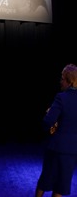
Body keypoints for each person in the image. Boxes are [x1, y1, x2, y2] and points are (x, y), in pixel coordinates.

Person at [35, 64, 77, 197]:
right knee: (61, 185)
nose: (60, 82)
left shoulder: (61, 97)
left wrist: (51, 125)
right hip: (72, 150)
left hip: (56, 147)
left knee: (45, 180)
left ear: (69, 81)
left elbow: (47, 121)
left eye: (62, 79)